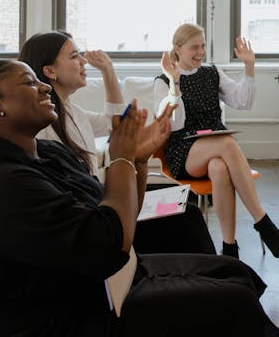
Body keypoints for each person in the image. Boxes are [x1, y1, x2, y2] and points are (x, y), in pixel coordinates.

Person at [0, 60, 279, 336]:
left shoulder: (48, 153)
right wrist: (122, 159)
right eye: (28, 82)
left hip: (104, 285)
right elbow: (109, 246)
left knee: (235, 273)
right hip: (70, 318)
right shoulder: (1, 185)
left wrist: (138, 159)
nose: (42, 88)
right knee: (235, 302)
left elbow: (118, 214)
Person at [19, 30, 216, 255]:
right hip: (94, 221)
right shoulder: (43, 129)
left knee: (185, 206)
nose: (83, 61)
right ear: (50, 71)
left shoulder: (73, 112)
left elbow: (116, 123)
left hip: (99, 205)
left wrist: (108, 70)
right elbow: (118, 124)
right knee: (186, 219)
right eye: (74, 56)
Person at [155, 23, 279, 259]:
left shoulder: (212, 73)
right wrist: (175, 83)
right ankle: (263, 223)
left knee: (219, 168)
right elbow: (174, 125)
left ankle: (229, 248)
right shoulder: (163, 81)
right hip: (184, 151)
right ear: (177, 49)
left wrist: (249, 66)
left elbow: (243, 102)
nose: (200, 52)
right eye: (193, 47)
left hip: (215, 147)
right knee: (228, 143)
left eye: (203, 46)